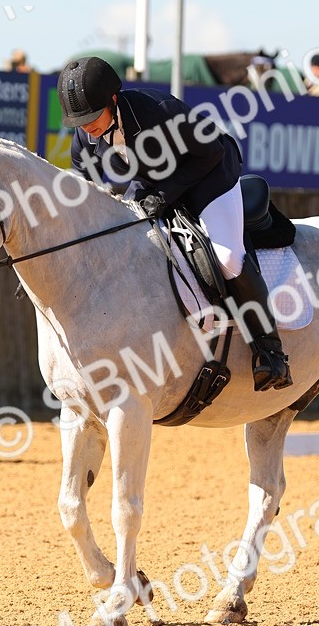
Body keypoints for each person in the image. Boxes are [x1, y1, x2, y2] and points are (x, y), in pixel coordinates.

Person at [57, 56, 292, 392]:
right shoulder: (85, 139)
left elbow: (210, 153)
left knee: (227, 258)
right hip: (153, 183)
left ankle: (270, 351)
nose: (86, 127)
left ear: (113, 100)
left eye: (92, 117)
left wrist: (163, 196)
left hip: (210, 175)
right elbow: (86, 190)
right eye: (79, 122)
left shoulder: (158, 112)